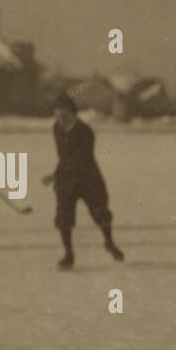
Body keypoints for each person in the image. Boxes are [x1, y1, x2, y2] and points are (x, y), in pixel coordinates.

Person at [40, 93, 124, 270]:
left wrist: (56, 176)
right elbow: (63, 157)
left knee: (100, 212)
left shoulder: (85, 131)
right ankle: (68, 254)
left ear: (73, 113)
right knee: (64, 217)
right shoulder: (56, 128)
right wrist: (56, 174)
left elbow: (81, 159)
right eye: (56, 115)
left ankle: (109, 242)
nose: (60, 120)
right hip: (66, 180)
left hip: (88, 178)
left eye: (63, 115)